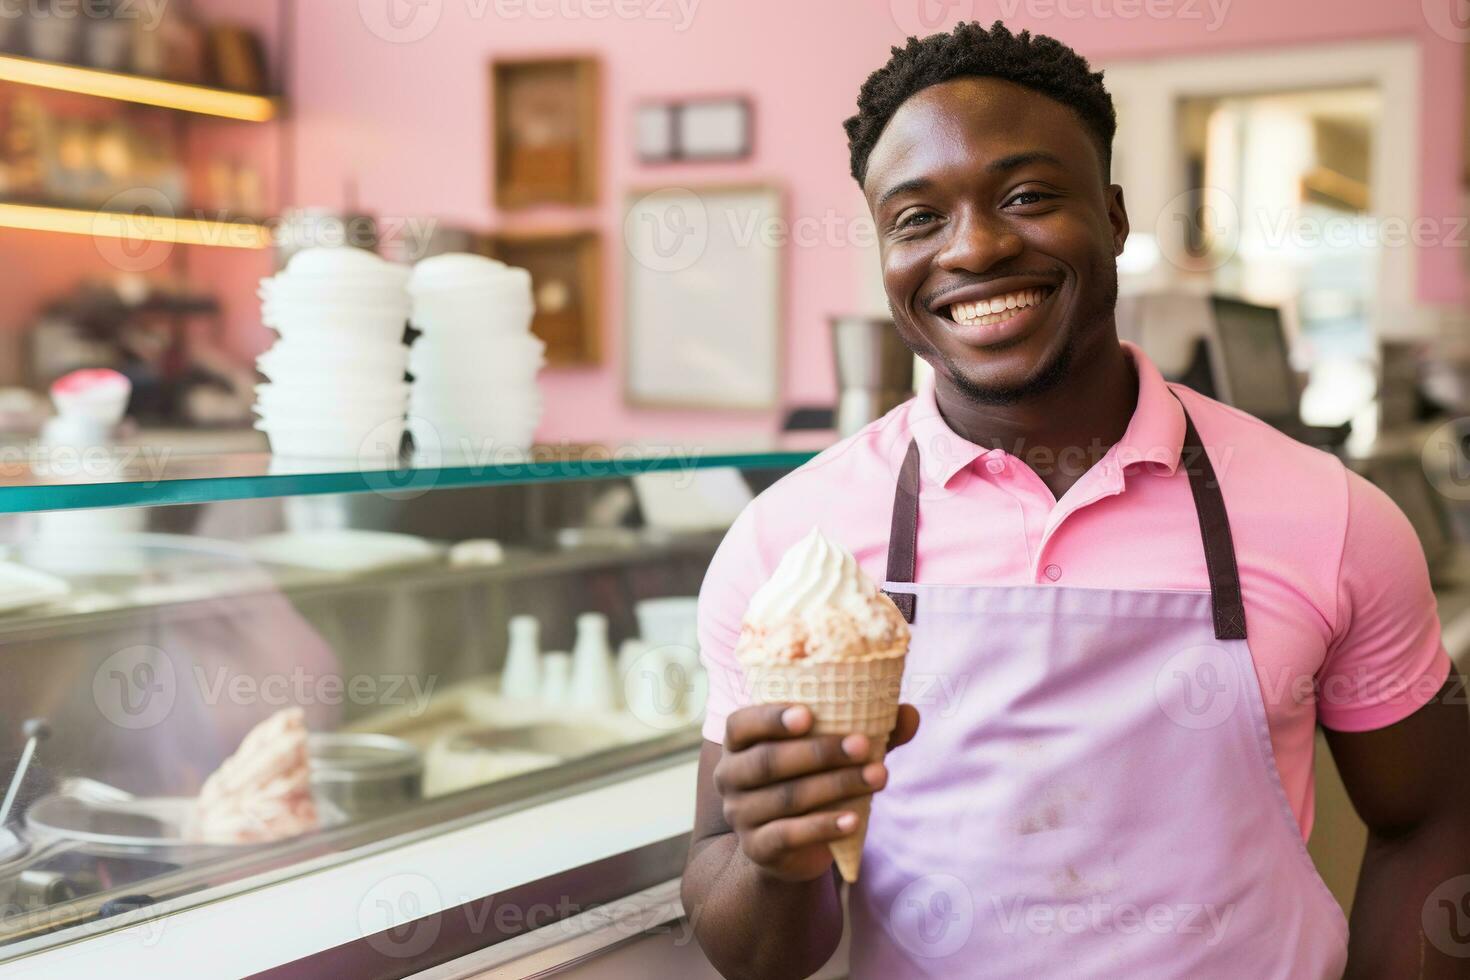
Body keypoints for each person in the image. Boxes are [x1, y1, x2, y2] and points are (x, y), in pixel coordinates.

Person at [681, 21, 1470, 980]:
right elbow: (753, 953)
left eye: (1026, 196)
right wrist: (779, 857)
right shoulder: (787, 552)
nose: (973, 247)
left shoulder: (1334, 517)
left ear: (1116, 215)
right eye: (916, 218)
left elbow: (1433, 820)